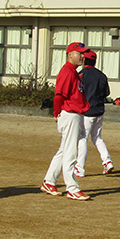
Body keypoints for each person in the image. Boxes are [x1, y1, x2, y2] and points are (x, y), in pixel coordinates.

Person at [41, 42, 91, 201]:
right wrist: (56, 112)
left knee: (64, 150)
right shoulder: (68, 72)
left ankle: (49, 181)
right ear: (70, 54)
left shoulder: (74, 72)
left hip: (74, 113)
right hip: (69, 114)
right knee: (70, 152)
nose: (82, 56)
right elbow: (59, 95)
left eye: (83, 53)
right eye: (79, 53)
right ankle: (72, 187)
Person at [74, 50, 114, 178]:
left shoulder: (81, 75)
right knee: (97, 138)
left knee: (82, 138)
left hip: (87, 111)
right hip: (99, 110)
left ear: (84, 60)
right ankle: (107, 161)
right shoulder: (101, 75)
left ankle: (79, 168)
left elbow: (77, 91)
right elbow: (106, 93)